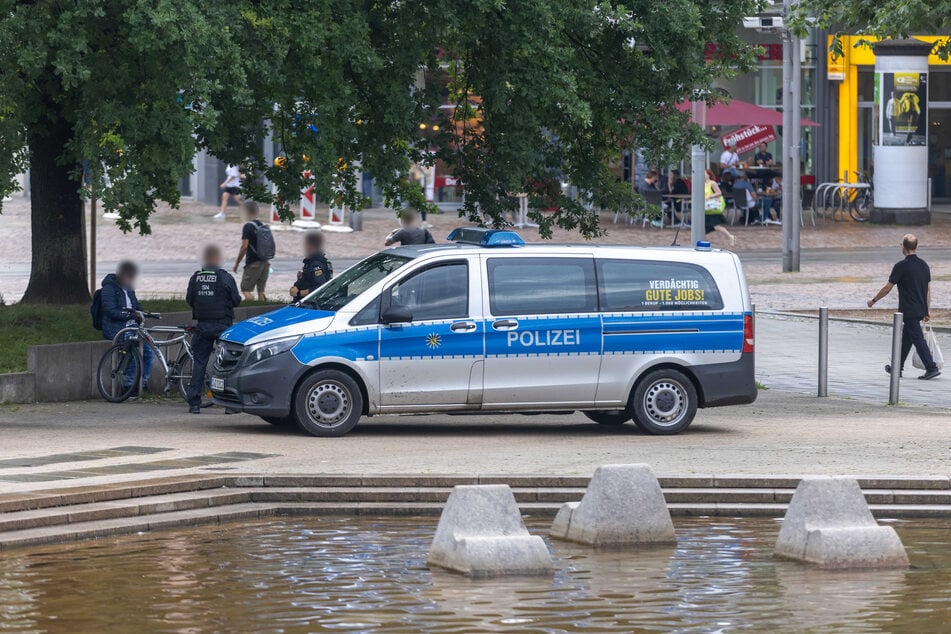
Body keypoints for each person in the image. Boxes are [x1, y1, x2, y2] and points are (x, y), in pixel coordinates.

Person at [867, 234, 940, 380]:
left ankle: (931, 367)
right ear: (916, 247)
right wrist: (927, 310)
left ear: (903, 247)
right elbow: (928, 290)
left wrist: (873, 300)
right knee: (907, 339)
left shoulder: (901, 266)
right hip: (919, 308)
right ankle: (897, 368)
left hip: (908, 309)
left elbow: (887, 288)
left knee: (918, 339)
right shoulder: (924, 265)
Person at [185, 244, 242, 413]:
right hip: (222, 326)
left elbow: (189, 300)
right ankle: (229, 405)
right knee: (225, 365)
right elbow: (236, 300)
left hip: (203, 326)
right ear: (217, 259)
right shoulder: (225, 278)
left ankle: (194, 403)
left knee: (199, 364)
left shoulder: (196, 278)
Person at [100, 261, 152, 396]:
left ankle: (143, 382)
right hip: (117, 327)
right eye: (129, 276)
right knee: (135, 348)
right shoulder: (109, 289)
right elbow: (110, 311)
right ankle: (129, 385)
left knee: (148, 351)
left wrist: (143, 312)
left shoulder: (129, 288)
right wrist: (130, 315)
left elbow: (136, 306)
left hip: (132, 327)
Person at [233, 201, 271, 301]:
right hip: (265, 262)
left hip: (253, 263)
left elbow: (244, 247)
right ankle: (262, 310)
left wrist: (237, 263)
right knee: (261, 291)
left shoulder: (248, 226)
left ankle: (251, 311)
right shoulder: (261, 225)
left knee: (245, 289)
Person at [290, 231, 333, 301]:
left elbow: (320, 286)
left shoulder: (316, 264)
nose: (304, 247)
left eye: (305, 244)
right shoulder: (320, 260)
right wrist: (302, 277)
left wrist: (298, 293)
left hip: (310, 304)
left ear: (310, 245)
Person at [703, 169, 735, 247]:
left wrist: (710, 196)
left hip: (712, 207)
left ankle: (730, 236)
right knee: (704, 226)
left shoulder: (712, 183)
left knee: (716, 225)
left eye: (704, 173)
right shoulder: (703, 184)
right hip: (706, 208)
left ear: (708, 175)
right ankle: (701, 241)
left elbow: (719, 193)